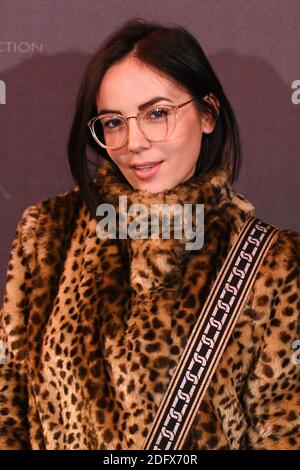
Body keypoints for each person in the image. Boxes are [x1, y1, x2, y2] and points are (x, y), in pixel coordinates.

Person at [0, 17, 299, 451]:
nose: (134, 141)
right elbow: (7, 408)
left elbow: (286, 431)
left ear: (208, 113)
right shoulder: (48, 233)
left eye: (157, 113)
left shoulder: (272, 262)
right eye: (113, 122)